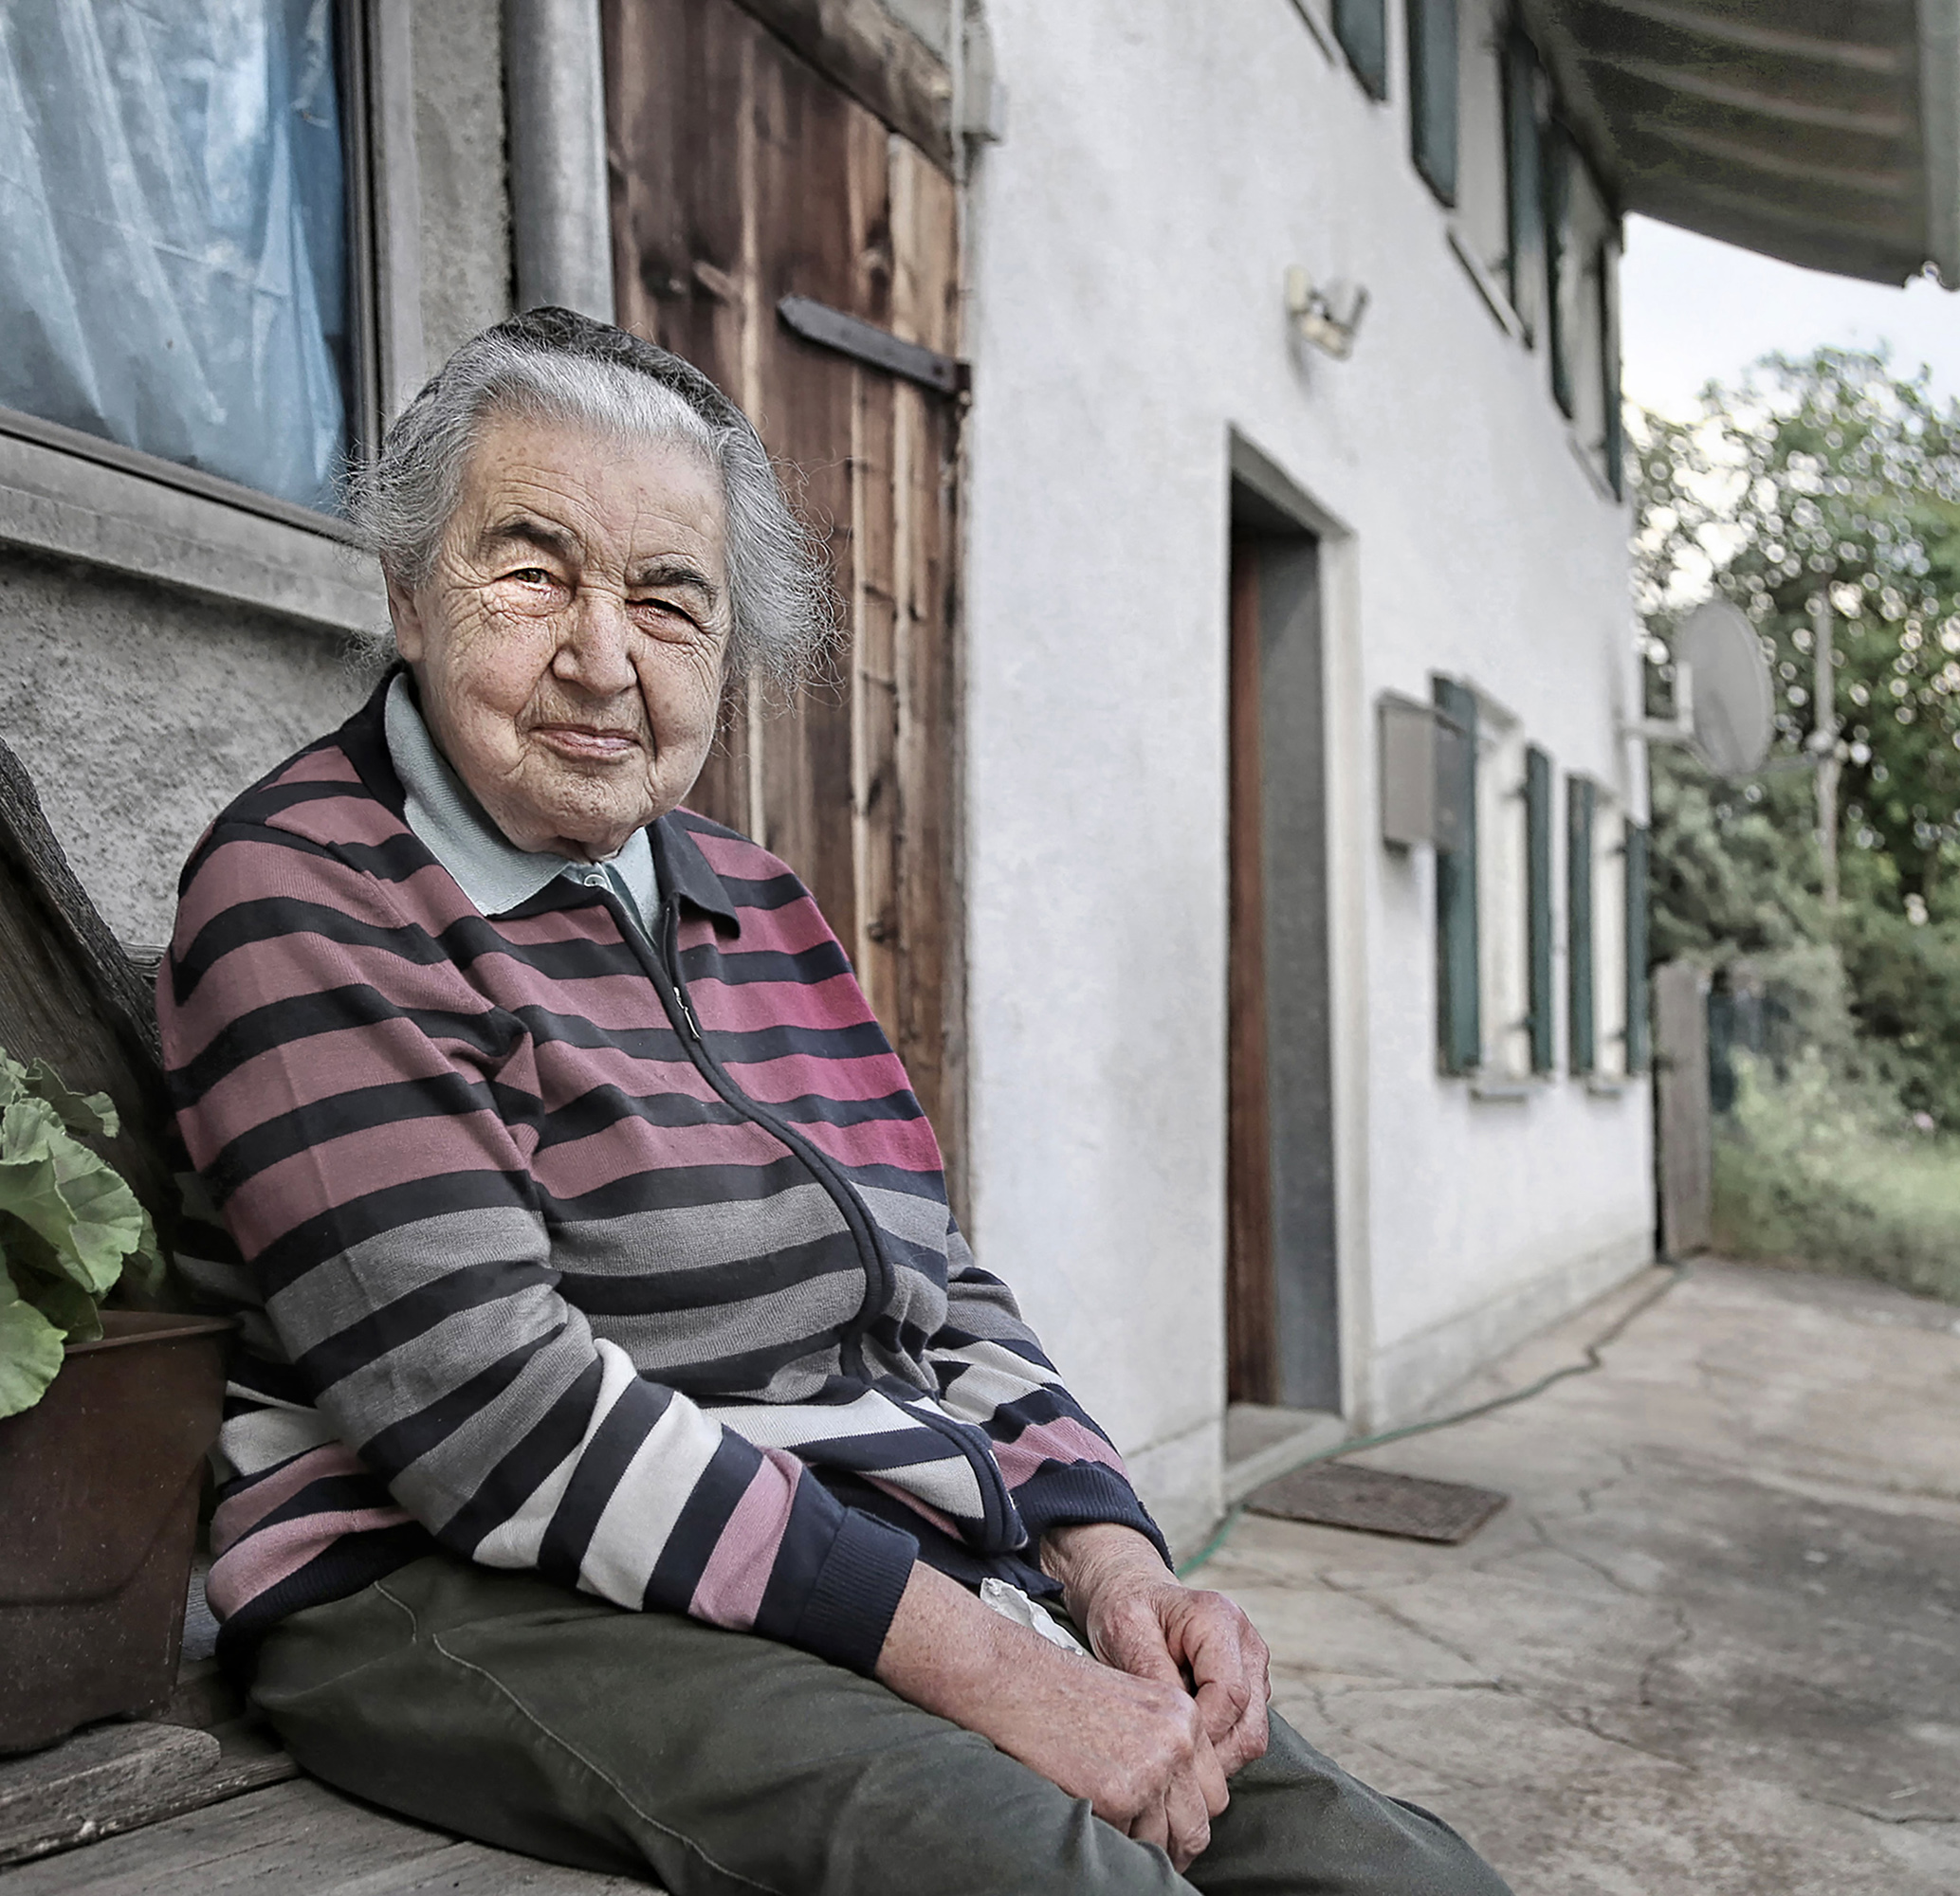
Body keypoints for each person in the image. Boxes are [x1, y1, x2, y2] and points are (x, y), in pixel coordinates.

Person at [160, 307, 1511, 1896]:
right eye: (531, 572)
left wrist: (1106, 1555)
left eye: (670, 603)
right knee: (1056, 1873)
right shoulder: (307, 888)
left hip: (842, 1552)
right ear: (405, 587)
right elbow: (494, 1424)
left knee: (1392, 1875)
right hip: (446, 1580)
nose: (603, 658)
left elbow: (936, 1285)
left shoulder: (752, 897)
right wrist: (1002, 1669)